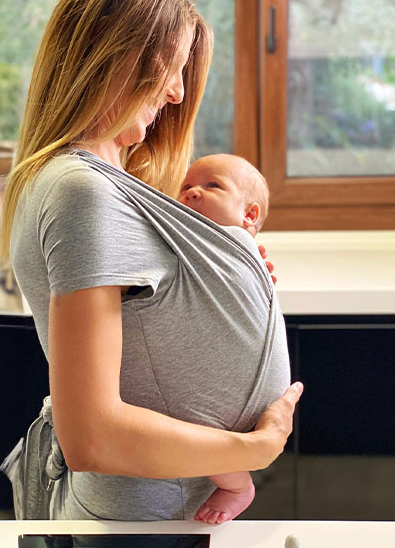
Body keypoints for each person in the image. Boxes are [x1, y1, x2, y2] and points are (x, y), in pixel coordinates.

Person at [0, 0, 303, 522]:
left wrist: (231, 273)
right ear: (125, 57)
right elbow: (93, 434)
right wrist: (252, 450)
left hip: (164, 506)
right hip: (136, 517)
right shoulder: (81, 189)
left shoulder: (108, 181)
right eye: (176, 67)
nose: (179, 90)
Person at [177, 153, 271, 524]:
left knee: (202, 431)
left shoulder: (222, 240)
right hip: (234, 377)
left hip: (232, 385)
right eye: (185, 187)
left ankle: (238, 487)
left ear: (249, 216)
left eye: (212, 185)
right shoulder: (225, 245)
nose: (193, 192)